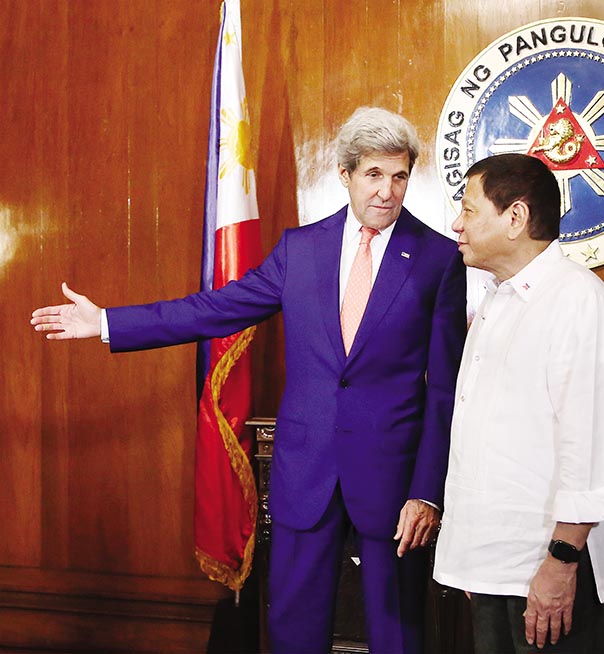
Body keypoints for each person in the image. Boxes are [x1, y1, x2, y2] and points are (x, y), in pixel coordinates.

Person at [31, 106, 468, 654]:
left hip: (392, 483)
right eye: (373, 175)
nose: (386, 191)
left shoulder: (437, 259)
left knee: (396, 634)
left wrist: (426, 491)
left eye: (399, 176)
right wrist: (107, 322)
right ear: (346, 174)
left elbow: (445, 390)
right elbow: (215, 308)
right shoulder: (300, 249)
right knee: (293, 630)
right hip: (305, 472)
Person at [433, 153, 604, 653]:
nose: (457, 224)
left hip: (547, 571)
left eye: (470, 210)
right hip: (494, 567)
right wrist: (474, 553)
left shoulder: (578, 302)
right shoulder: (497, 301)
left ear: (515, 218)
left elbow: (588, 448)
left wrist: (561, 563)